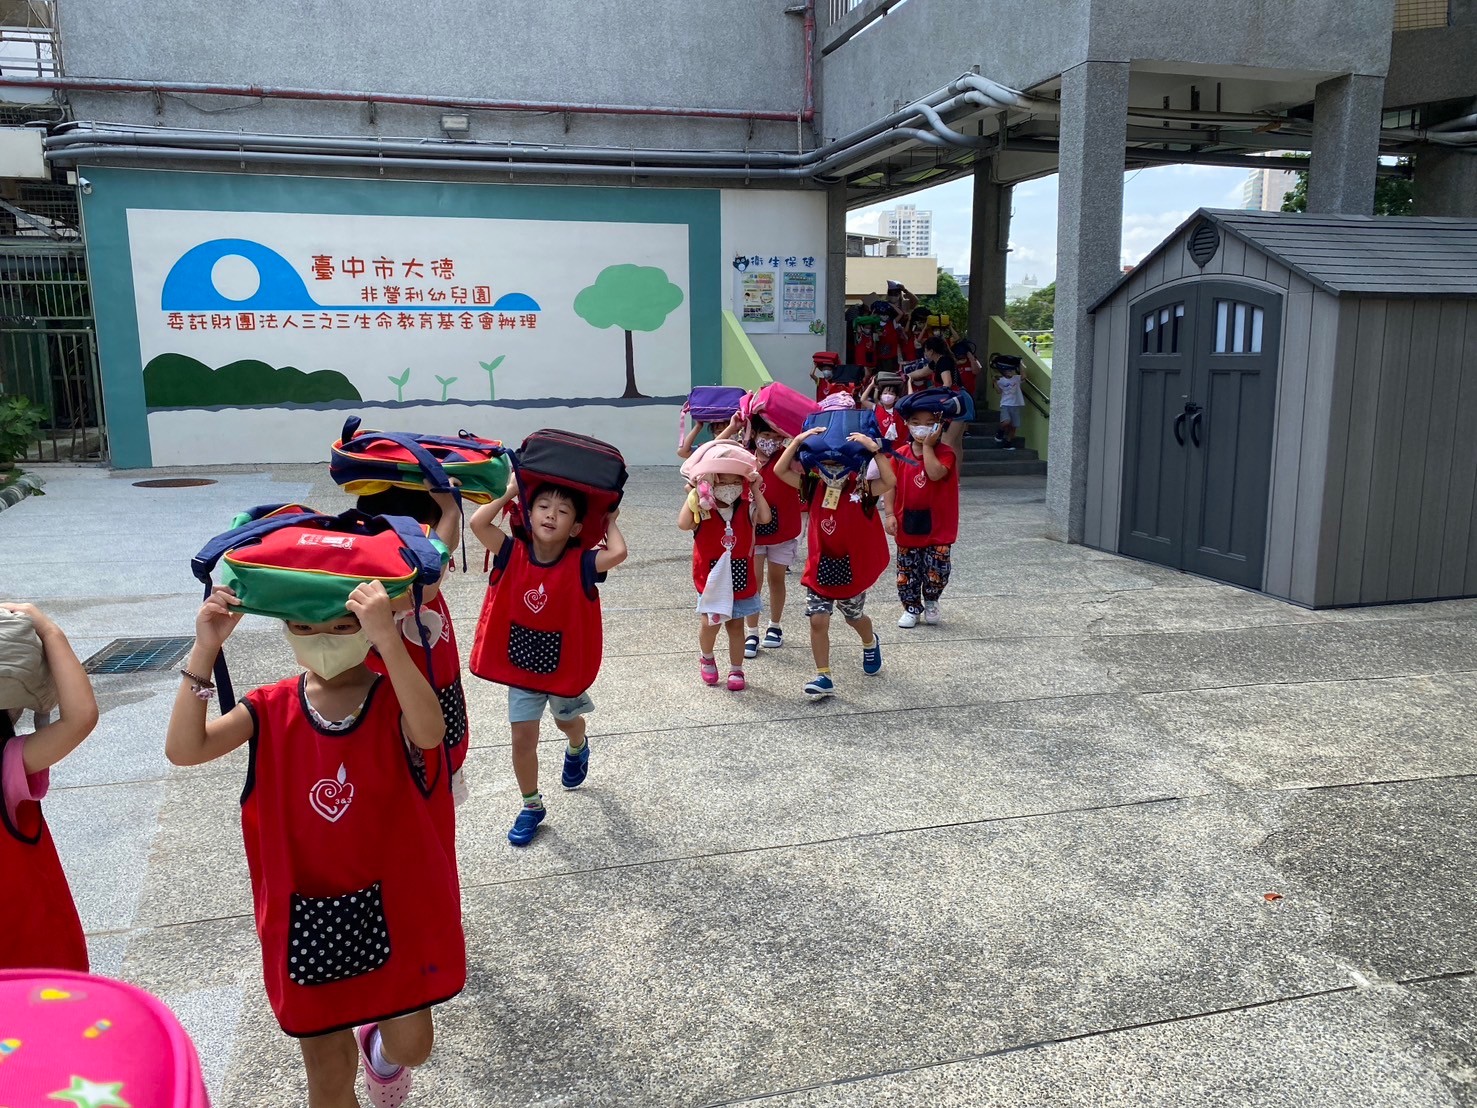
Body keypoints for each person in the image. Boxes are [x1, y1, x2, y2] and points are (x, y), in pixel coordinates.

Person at [165, 580, 464, 1108]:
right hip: (309, 915)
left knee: (412, 1045)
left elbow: (429, 732)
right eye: (303, 626)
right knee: (327, 1077)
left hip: (397, 906)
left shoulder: (393, 696)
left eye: (341, 626)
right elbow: (186, 749)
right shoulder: (268, 707)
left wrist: (389, 640)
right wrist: (205, 648)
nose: (322, 637)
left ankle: (378, 1048)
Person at [469, 483, 627, 847]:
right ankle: (531, 805)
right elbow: (478, 524)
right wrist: (511, 491)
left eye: (563, 510)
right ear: (528, 515)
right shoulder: (511, 551)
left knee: (565, 721)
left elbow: (618, 553)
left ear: (575, 528)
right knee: (522, 738)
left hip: (564, 671)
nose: (551, 514)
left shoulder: (582, 562)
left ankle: (578, 744)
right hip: (521, 668)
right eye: (542, 506)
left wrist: (609, 522)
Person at [356, 482, 472, 805]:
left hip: (436, 699)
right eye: (433, 533)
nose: (441, 548)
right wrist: (450, 511)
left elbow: (443, 551)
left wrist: (448, 510)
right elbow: (428, 581)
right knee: (413, 798)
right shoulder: (385, 587)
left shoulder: (402, 561)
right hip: (404, 716)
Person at [0, 603, 99, 973]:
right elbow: (80, 719)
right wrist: (49, 631)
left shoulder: (7, 765)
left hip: (29, 974)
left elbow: (80, 717)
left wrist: (51, 633)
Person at [772, 426, 896, 700]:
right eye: (826, 463)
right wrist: (797, 442)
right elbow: (780, 471)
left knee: (854, 617)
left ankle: (869, 641)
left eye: (838, 464)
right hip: (820, 566)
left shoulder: (861, 489)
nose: (833, 469)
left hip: (852, 568)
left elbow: (889, 481)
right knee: (818, 620)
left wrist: (874, 450)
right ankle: (823, 675)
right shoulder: (812, 486)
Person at [678, 440, 770, 690]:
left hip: (739, 575)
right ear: (712, 481)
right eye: (723, 482)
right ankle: (707, 657)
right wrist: (695, 492)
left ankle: (736, 669)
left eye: (735, 482)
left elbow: (765, 517)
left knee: (736, 625)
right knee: (710, 623)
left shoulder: (746, 507)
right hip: (710, 577)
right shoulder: (702, 509)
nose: (729, 487)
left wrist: (756, 490)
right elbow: (683, 524)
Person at [717, 413, 803, 657]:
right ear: (753, 433)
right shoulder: (742, 455)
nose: (771, 441)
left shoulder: (790, 457)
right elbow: (714, 452)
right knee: (753, 581)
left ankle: (774, 626)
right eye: (766, 435)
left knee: (777, 579)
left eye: (777, 436)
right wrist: (732, 427)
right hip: (751, 530)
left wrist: (796, 436)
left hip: (783, 529)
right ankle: (752, 631)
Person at [891, 397, 961, 628]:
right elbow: (890, 486)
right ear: (907, 424)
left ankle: (931, 600)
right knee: (908, 569)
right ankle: (911, 607)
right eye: (916, 422)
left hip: (939, 524)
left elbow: (934, 473)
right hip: (908, 520)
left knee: (937, 568)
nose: (922, 427)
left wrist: (928, 447)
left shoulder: (946, 453)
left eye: (929, 423)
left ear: (939, 426)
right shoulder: (900, 454)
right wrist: (889, 514)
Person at [995, 357, 1027, 449]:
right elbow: (999, 391)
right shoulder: (1000, 380)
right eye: (1008, 370)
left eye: (1011, 370)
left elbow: (1024, 376)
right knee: (1006, 421)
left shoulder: (1016, 378)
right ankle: (1000, 432)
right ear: (1003, 371)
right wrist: (995, 382)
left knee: (1014, 426)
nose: (1011, 372)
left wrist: (1020, 364)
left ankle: (1008, 443)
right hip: (1005, 404)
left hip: (1015, 405)